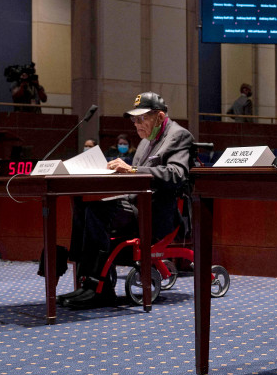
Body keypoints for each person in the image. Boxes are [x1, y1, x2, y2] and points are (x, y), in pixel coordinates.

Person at [58, 92, 194, 309]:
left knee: (98, 211)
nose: (136, 125)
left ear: (159, 117)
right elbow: (133, 176)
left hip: (156, 212)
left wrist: (131, 169)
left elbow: (177, 174)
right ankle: (86, 284)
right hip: (134, 204)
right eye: (134, 120)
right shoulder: (144, 141)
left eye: (142, 119)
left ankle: (99, 288)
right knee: (83, 204)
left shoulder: (178, 135)